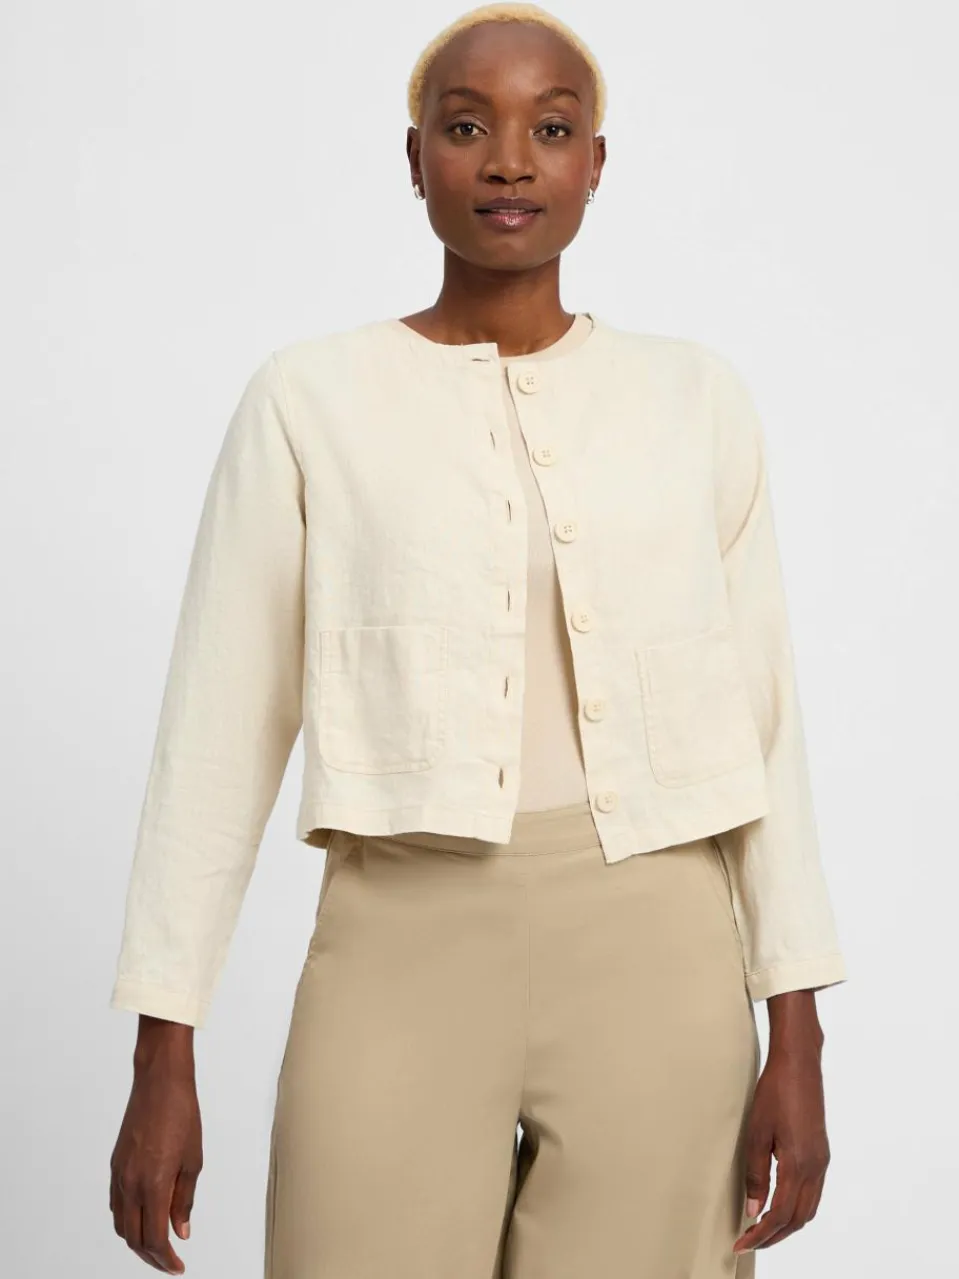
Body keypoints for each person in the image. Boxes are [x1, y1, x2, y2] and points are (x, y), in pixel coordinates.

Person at [107, 3, 847, 1275]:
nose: (509, 161)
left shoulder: (695, 401)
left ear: (596, 162)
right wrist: (160, 1051)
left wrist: (798, 1030)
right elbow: (214, 733)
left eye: (550, 130)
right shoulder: (309, 400)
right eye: (466, 129)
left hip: (658, 946)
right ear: (414, 159)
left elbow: (761, 723)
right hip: (399, 938)